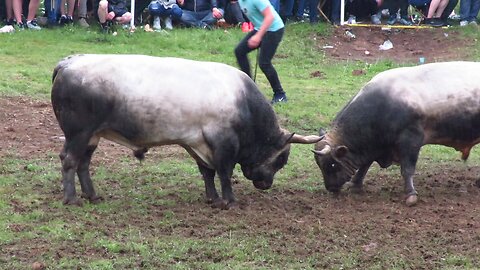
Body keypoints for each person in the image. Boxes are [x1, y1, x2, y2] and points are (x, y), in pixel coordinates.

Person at [235, 0, 287, 104]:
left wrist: (258, 36)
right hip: (260, 28)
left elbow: (270, 16)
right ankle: (249, 88)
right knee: (239, 51)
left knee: (264, 63)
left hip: (274, 30)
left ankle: (280, 94)